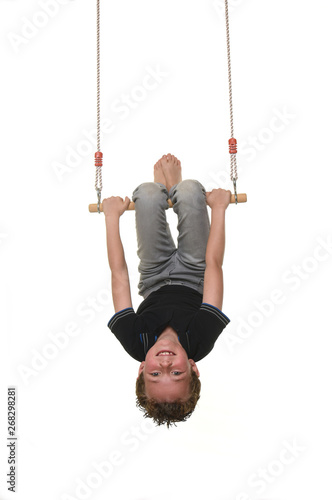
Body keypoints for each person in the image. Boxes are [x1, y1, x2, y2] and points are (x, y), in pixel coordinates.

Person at [103, 154, 231, 427]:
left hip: (154, 276)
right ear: (193, 367)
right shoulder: (201, 339)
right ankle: (176, 189)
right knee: (190, 190)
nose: (164, 366)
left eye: (154, 375)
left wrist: (111, 217)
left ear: (141, 370)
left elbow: (119, 276)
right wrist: (219, 209)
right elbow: (214, 267)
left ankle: (163, 192)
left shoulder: (136, 341)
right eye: (176, 373)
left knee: (147, 194)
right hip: (196, 272)